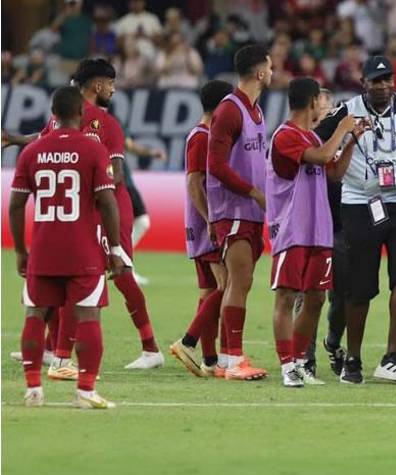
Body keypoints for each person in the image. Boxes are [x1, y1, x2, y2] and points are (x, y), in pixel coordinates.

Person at [316, 55, 396, 385]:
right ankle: (352, 359)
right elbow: (315, 144)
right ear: (364, 83)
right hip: (359, 201)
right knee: (359, 286)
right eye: (376, 80)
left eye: (388, 80)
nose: (383, 86)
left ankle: (393, 357)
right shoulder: (346, 110)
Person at [11, 86, 128, 408]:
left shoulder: (32, 152)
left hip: (44, 248)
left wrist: (21, 250)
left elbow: (16, 205)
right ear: (80, 113)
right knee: (88, 316)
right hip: (82, 250)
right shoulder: (92, 150)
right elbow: (107, 202)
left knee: (35, 314)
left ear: (53, 114)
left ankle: (33, 388)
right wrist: (115, 249)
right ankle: (85, 391)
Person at [44, 59, 162, 371]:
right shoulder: (62, 119)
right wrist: (15, 139)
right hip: (84, 210)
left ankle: (150, 349)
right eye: (111, 84)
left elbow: (118, 174)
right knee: (69, 273)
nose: (113, 89)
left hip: (110, 208)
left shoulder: (105, 122)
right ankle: (52, 350)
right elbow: (44, 145)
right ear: (97, 86)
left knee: (117, 275)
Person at [267, 78, 364, 387]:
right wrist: (343, 128)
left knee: (316, 299)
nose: (327, 106)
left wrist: (350, 141)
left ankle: (297, 361)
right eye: (322, 101)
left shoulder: (310, 136)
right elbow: (322, 157)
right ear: (311, 102)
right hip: (293, 229)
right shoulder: (285, 136)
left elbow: (333, 172)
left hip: (318, 229)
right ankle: (286, 367)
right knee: (286, 297)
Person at [207, 45, 272, 380]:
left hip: (249, 210)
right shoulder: (230, 110)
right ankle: (234, 359)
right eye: (270, 68)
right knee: (240, 280)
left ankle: (225, 358)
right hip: (233, 209)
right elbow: (214, 165)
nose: (273, 73)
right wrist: (253, 192)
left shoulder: (254, 111)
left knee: (238, 281)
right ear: (260, 72)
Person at [169, 80, 234, 377]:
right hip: (206, 221)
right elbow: (194, 182)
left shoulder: (203, 135)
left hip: (201, 222)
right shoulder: (202, 137)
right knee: (228, 285)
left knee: (209, 290)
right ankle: (188, 341)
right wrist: (210, 220)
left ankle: (209, 360)